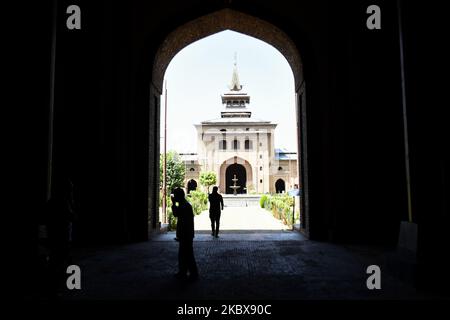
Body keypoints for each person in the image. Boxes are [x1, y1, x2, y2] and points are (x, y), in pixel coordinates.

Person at [171, 188, 198, 280]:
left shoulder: (184, 206)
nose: (174, 197)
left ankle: (192, 274)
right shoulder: (185, 204)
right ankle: (184, 272)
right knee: (185, 254)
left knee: (187, 254)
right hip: (186, 234)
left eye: (175, 195)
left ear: (179, 196)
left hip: (186, 235)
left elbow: (175, 213)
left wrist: (174, 203)